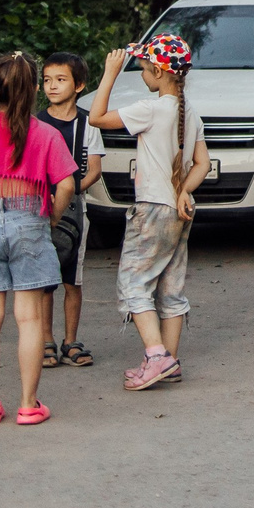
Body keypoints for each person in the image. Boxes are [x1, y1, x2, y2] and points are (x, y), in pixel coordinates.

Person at [0, 51, 81, 425]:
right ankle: (28, 403)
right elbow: (66, 184)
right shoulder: (46, 133)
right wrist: (51, 215)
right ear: (35, 89)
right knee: (29, 319)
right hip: (31, 223)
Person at [92, 35, 207, 392]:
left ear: (158, 71)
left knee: (133, 284)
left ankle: (157, 356)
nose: (142, 73)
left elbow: (96, 118)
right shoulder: (191, 112)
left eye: (143, 68)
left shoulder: (151, 109)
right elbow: (202, 163)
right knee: (170, 288)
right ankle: (169, 362)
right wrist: (184, 191)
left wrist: (110, 73)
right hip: (178, 208)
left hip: (151, 208)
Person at [36, 52, 104, 370]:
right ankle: (46, 340)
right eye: (47, 80)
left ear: (79, 85)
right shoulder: (35, 122)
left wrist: (72, 190)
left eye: (60, 80)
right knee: (44, 279)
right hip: (39, 208)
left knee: (72, 279)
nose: (52, 86)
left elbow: (94, 169)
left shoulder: (87, 123)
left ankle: (70, 340)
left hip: (76, 209)